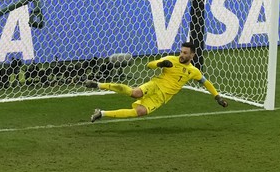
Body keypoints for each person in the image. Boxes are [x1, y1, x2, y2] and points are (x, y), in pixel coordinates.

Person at [86, 41, 228, 121]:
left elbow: (206, 82)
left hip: (162, 98)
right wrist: (160, 64)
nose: (182, 55)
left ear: (192, 55)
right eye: (181, 52)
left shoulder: (193, 71)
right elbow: (149, 65)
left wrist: (217, 97)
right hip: (155, 85)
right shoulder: (171, 60)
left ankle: (102, 113)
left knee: (140, 111)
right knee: (135, 93)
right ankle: (98, 84)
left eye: (185, 53)